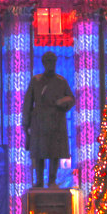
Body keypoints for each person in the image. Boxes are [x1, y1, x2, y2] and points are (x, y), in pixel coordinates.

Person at [22, 51, 76, 188]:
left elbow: (71, 99)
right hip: (39, 120)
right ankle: (39, 181)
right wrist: (26, 124)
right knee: (39, 152)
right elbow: (28, 103)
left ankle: (52, 180)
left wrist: (62, 103)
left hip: (56, 120)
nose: (50, 64)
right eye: (48, 61)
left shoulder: (61, 81)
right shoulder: (36, 80)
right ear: (44, 63)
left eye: (52, 61)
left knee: (55, 152)